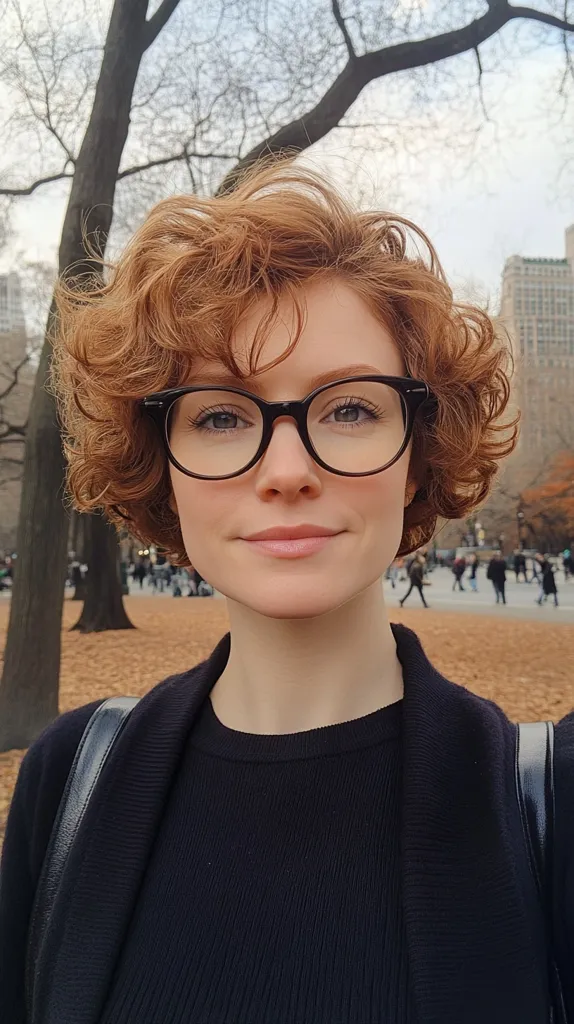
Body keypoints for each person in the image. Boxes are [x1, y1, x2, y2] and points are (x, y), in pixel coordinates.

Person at [3, 159, 574, 1024]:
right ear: (162, 464)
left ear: (419, 453)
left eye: (349, 408)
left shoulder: (554, 804)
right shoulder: (70, 782)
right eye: (221, 416)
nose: (287, 471)